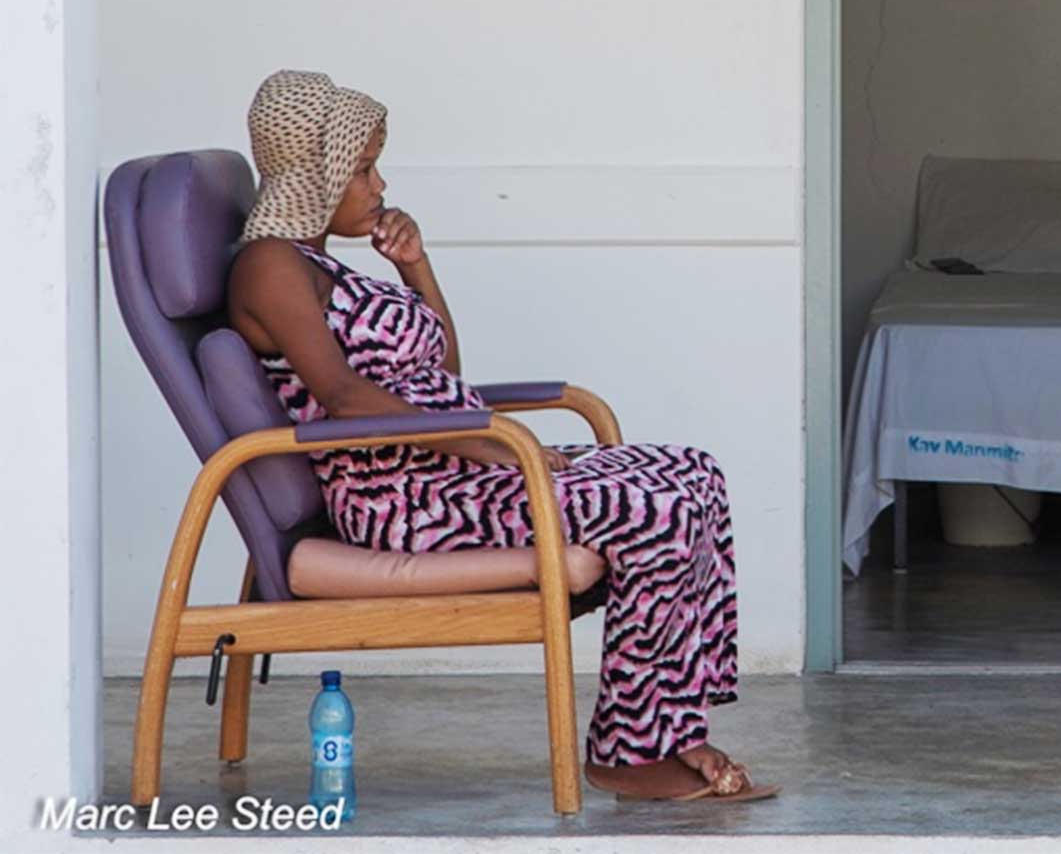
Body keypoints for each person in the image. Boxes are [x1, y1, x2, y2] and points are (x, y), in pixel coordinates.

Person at [225, 69, 773, 804]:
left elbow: (441, 369)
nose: (380, 184)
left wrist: (416, 267)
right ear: (319, 173)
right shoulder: (269, 266)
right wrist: (490, 444)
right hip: (406, 499)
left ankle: (671, 728)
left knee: (693, 473)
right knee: (658, 510)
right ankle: (629, 753)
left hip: (456, 468)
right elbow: (346, 397)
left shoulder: (325, 263)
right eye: (362, 168)